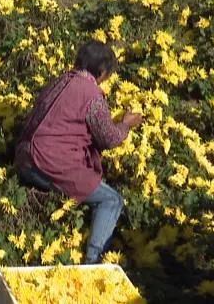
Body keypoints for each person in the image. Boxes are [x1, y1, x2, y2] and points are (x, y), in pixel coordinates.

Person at [14, 40, 143, 264]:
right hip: (47, 163)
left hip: (24, 157)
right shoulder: (92, 95)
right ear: (101, 72)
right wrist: (125, 124)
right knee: (111, 200)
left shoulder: (61, 80)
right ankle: (94, 262)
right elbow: (109, 138)